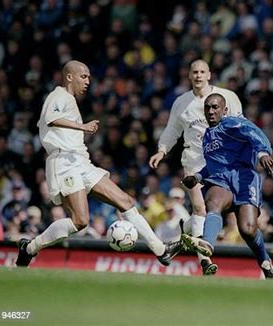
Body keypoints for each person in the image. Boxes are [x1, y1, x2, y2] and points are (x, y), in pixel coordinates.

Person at [16, 60, 182, 267]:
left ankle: (161, 249)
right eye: (83, 76)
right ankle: (30, 247)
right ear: (69, 77)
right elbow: (51, 118)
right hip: (64, 161)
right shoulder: (58, 95)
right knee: (80, 221)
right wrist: (82, 127)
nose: (87, 81)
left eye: (88, 77)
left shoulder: (70, 100)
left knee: (127, 202)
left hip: (81, 161)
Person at [149, 59, 243, 275]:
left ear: (209, 74)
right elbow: (172, 130)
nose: (199, 75)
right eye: (195, 72)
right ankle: (205, 261)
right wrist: (161, 150)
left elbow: (241, 125)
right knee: (201, 208)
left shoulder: (228, 97)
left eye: (202, 71)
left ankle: (186, 233)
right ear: (189, 76)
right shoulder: (181, 102)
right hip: (193, 159)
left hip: (221, 160)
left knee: (215, 209)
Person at [180, 93, 273, 279]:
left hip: (243, 177)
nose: (210, 111)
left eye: (215, 107)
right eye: (207, 107)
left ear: (224, 110)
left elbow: (255, 133)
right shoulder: (207, 137)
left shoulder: (232, 123)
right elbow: (213, 164)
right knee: (213, 201)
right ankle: (208, 243)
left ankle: (265, 262)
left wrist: (262, 153)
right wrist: (198, 176)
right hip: (220, 179)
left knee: (248, 230)